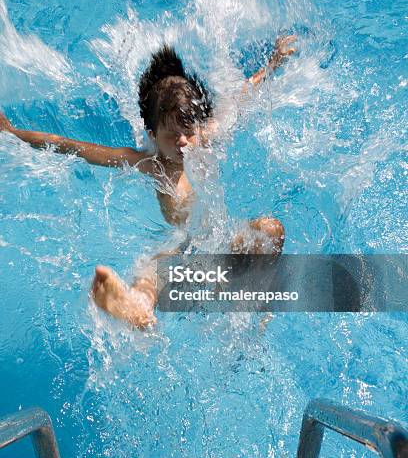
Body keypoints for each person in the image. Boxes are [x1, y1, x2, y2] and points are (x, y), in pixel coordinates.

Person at [0, 35, 296, 328]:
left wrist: (273, 62)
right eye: (171, 135)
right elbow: (70, 145)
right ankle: (135, 306)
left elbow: (241, 99)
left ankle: (251, 299)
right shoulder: (148, 164)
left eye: (187, 131)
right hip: (183, 250)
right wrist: (12, 132)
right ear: (153, 135)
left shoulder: (204, 140)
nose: (182, 142)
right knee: (157, 267)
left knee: (270, 230)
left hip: (222, 239)